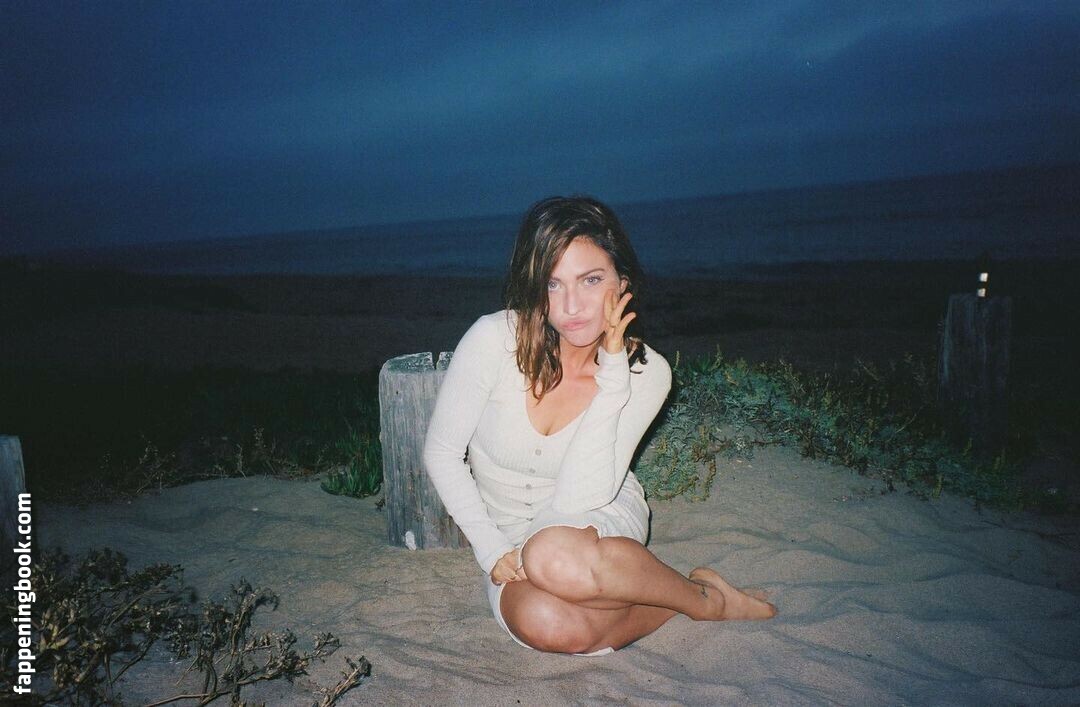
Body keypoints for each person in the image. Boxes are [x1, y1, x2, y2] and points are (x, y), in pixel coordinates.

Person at [423, 196, 775, 656]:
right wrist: (491, 549)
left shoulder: (647, 373)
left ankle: (704, 603)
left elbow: (579, 497)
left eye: (591, 280)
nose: (571, 306)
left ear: (622, 283)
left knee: (552, 556)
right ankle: (678, 599)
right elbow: (442, 453)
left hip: (597, 514)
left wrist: (612, 375)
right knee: (547, 623)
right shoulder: (494, 340)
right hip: (506, 539)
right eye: (553, 284)